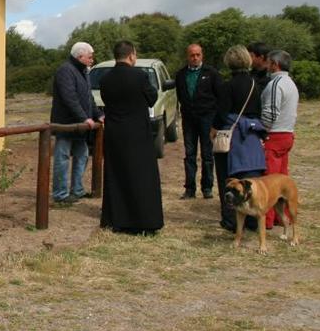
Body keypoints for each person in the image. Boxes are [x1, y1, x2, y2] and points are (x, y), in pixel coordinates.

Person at [99, 40, 163, 235]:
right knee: (141, 177)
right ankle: (144, 220)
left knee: (117, 175)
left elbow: (106, 101)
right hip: (137, 133)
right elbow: (152, 98)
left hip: (115, 133)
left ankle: (117, 220)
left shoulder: (105, 79)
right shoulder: (140, 76)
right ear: (132, 55)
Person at [212, 45, 265, 232]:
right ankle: (252, 220)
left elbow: (221, 114)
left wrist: (214, 128)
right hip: (251, 135)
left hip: (232, 137)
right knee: (251, 179)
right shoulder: (255, 85)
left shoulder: (227, 87)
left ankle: (231, 221)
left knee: (228, 180)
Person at [49, 42, 101, 205]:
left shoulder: (83, 71)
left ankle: (77, 190)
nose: (92, 60)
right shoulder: (66, 70)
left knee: (82, 156)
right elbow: (69, 98)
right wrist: (84, 118)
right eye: (90, 57)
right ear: (80, 56)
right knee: (62, 158)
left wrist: (98, 114)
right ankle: (60, 194)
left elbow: (88, 97)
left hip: (80, 126)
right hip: (66, 125)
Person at [174, 44, 223, 199]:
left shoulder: (212, 73)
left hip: (207, 119)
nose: (195, 58)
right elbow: (180, 96)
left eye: (197, 55)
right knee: (190, 154)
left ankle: (207, 187)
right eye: (192, 55)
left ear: (202, 55)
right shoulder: (180, 74)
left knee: (207, 154)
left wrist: (216, 120)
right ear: (187, 56)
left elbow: (220, 96)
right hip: (189, 120)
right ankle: (190, 189)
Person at [261, 49, 299, 230]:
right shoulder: (291, 83)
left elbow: (270, 113)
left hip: (275, 135)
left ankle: (267, 220)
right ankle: (281, 216)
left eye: (268, 63)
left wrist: (262, 132)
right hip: (286, 134)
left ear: (275, 64)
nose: (266, 66)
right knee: (283, 180)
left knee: (270, 181)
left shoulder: (275, 84)